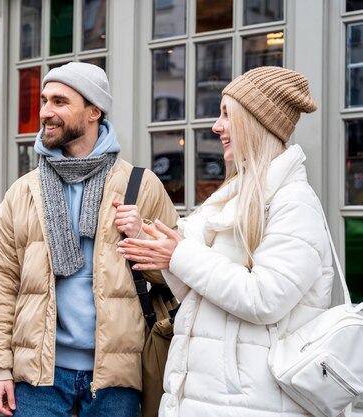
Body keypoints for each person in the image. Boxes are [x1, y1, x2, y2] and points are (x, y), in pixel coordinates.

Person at [117, 66, 335, 417]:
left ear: (255, 123)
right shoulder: (234, 197)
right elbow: (205, 297)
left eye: (226, 115)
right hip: (216, 396)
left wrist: (179, 255)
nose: (217, 127)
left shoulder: (294, 203)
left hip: (254, 401)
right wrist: (157, 247)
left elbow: (264, 298)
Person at [0, 62, 178, 417]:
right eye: (44, 101)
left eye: (59, 101)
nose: (45, 112)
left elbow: (175, 278)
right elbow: (0, 289)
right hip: (38, 377)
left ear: (93, 111)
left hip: (115, 377)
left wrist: (140, 237)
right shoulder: (23, 192)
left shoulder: (140, 186)